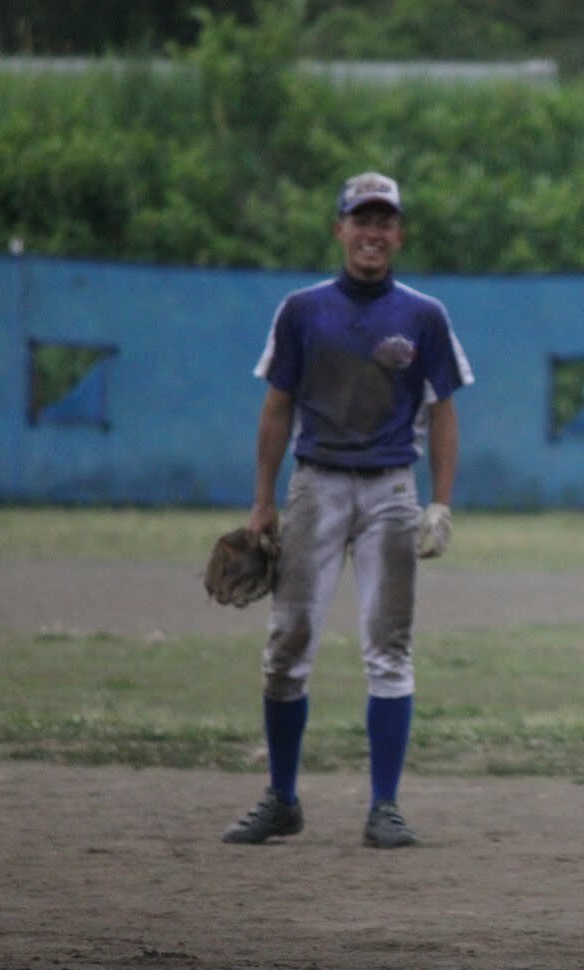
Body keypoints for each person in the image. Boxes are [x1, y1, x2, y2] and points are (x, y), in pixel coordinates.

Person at [220, 171, 475, 848]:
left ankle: (384, 806)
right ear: (339, 229)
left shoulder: (423, 315)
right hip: (316, 485)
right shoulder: (303, 310)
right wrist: (262, 503)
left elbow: (444, 411)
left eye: (384, 221)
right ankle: (281, 797)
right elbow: (277, 407)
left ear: (399, 234)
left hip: (391, 489)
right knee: (288, 643)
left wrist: (440, 502)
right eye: (361, 219)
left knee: (389, 647)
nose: (372, 232)